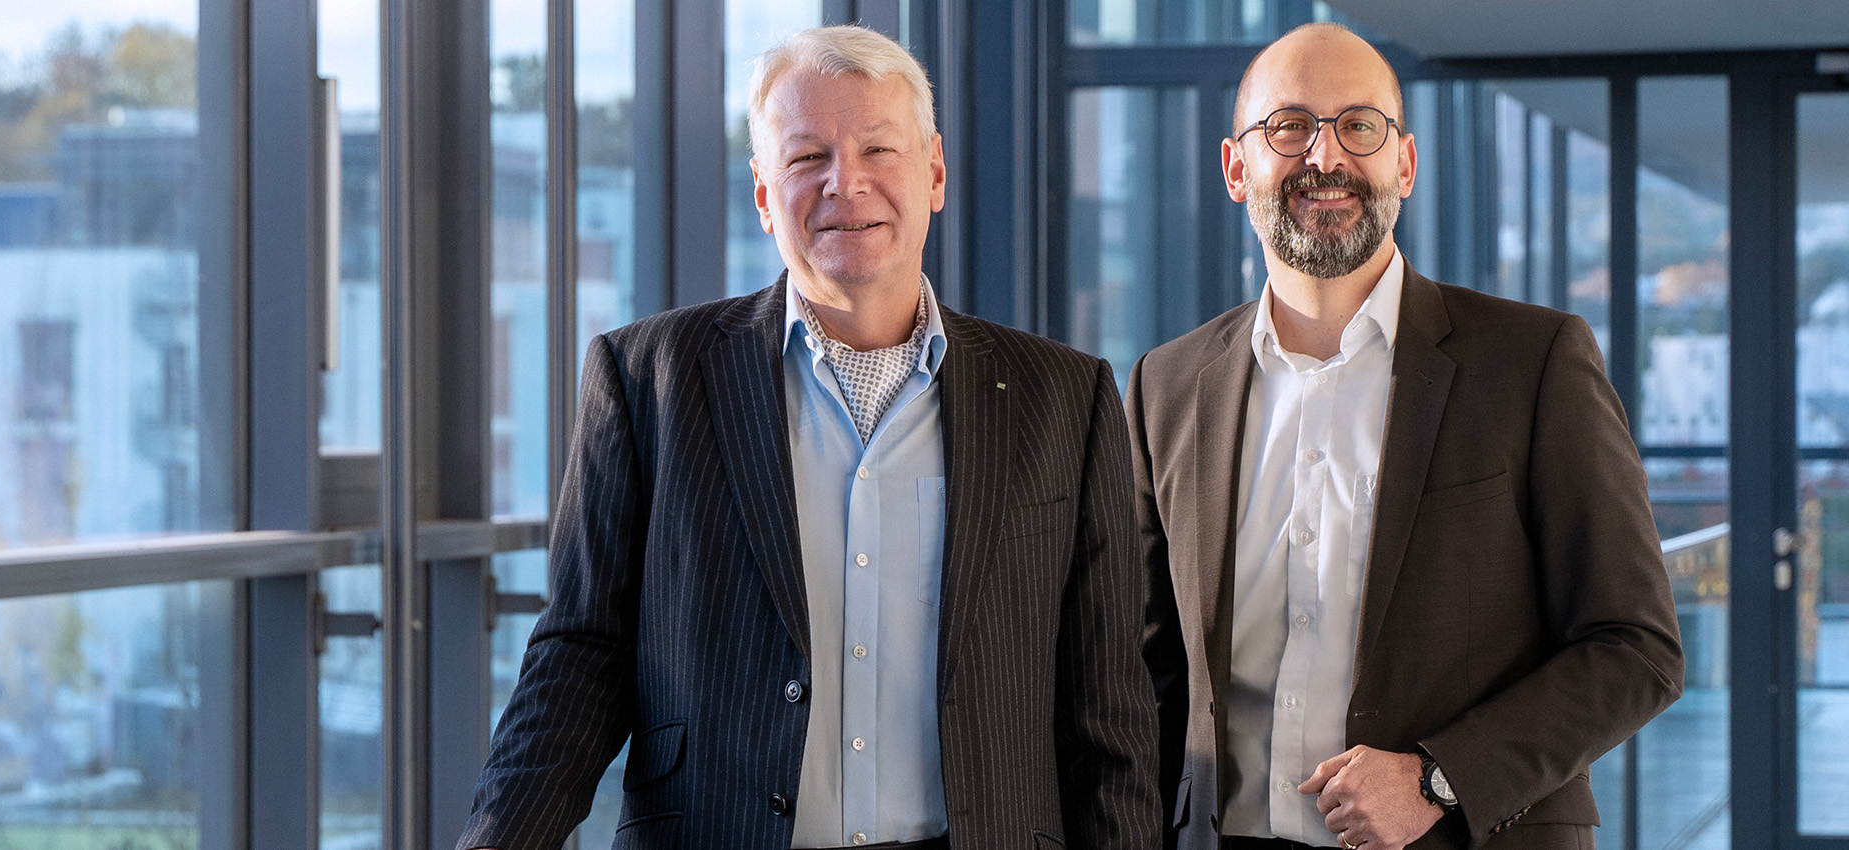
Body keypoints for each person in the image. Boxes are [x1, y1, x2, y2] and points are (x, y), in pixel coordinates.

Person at [456, 24, 1161, 850]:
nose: (845, 184)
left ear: (933, 172)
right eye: (806, 159)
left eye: (877, 150)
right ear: (762, 194)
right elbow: (579, 657)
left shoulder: (1063, 398)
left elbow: (1108, 720)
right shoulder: (647, 380)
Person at [1129, 22, 1685, 850]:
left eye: (1360, 125)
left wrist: (1439, 777)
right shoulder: (1164, 387)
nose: (1326, 157)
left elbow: (1636, 647)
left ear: (1406, 164)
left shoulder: (1531, 363)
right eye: (1289, 126)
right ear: (1236, 168)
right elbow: (1144, 671)